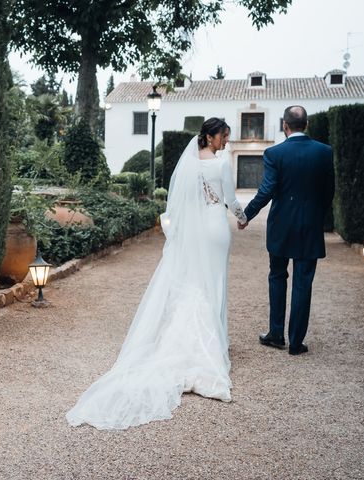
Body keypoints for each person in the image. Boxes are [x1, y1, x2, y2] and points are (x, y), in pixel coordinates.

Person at [66, 118, 247, 430]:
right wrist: (243, 218)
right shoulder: (221, 165)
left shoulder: (188, 165)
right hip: (216, 228)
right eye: (224, 136)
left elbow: (176, 205)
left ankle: (195, 339)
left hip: (195, 231)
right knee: (214, 284)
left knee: (195, 282)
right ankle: (213, 343)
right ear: (210, 137)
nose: (227, 141)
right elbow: (231, 201)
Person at [240, 105, 335, 356]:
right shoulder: (324, 152)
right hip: (310, 228)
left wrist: (247, 214)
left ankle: (275, 333)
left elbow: (267, 190)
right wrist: (316, 215)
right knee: (304, 283)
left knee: (277, 276)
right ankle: (295, 342)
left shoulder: (274, 153)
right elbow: (329, 192)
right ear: (307, 124)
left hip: (281, 226)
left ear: (285, 125)